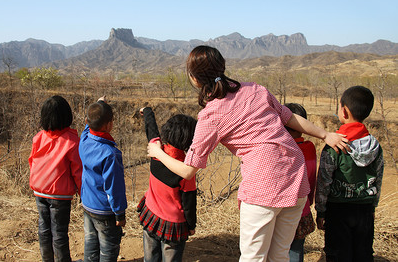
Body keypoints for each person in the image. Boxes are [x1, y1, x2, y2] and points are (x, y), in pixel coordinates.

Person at [147, 45, 348, 262]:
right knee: (280, 255)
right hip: (295, 178)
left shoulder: (211, 115)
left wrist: (158, 152)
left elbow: (187, 170)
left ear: (194, 79)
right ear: (222, 67)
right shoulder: (255, 89)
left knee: (253, 257)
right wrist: (325, 135)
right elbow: (288, 117)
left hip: (264, 183)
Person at [315, 86, 384, 262]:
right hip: (365, 208)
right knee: (363, 254)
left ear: (344, 111)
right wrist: (373, 206)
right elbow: (378, 179)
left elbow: (324, 182)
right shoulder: (375, 146)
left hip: (338, 209)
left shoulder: (334, 146)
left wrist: (321, 211)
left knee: (338, 254)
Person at [137, 107, 197, 262]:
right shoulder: (185, 168)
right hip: (173, 224)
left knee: (150, 257)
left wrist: (148, 111)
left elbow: (151, 130)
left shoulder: (156, 150)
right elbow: (189, 202)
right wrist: (191, 225)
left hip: (150, 213)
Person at [28, 95, 83, 262]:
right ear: (67, 116)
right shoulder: (72, 141)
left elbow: (32, 161)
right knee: (59, 232)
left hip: (39, 190)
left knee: (44, 229)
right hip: (59, 194)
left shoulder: (39, 137)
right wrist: (83, 193)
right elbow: (78, 171)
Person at [79, 97, 127, 262]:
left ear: (87, 122)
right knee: (107, 251)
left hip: (87, 204)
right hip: (105, 212)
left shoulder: (84, 139)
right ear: (109, 125)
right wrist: (120, 214)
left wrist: (99, 104)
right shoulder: (110, 154)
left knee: (90, 244)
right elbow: (115, 188)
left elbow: (88, 126)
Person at [284, 103, 317, 262]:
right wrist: (309, 201)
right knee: (296, 252)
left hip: (279, 212)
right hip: (302, 209)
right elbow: (311, 177)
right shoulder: (309, 148)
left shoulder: (280, 148)